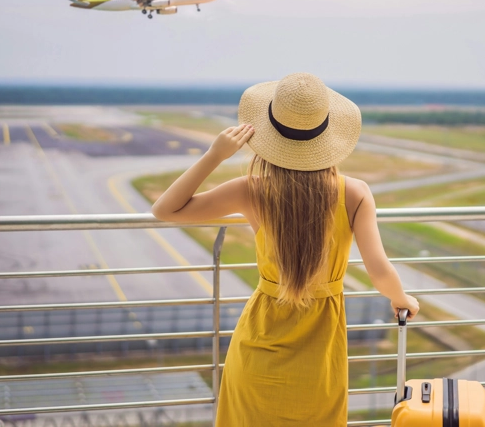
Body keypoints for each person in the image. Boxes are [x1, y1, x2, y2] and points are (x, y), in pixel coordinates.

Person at [151, 72, 420, 426]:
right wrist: (403, 300)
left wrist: (216, 154)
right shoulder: (354, 193)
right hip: (320, 353)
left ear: (267, 135)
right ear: (328, 136)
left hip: (258, 343)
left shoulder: (251, 190)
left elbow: (165, 210)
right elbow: (380, 271)